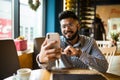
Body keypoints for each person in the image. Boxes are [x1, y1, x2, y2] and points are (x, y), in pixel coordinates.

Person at [36, 11, 108, 73]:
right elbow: (49, 68)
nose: (67, 29)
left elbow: (104, 67)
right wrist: (41, 60)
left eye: (70, 25)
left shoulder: (90, 42)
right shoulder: (56, 42)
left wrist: (80, 54)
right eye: (64, 26)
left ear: (78, 26)